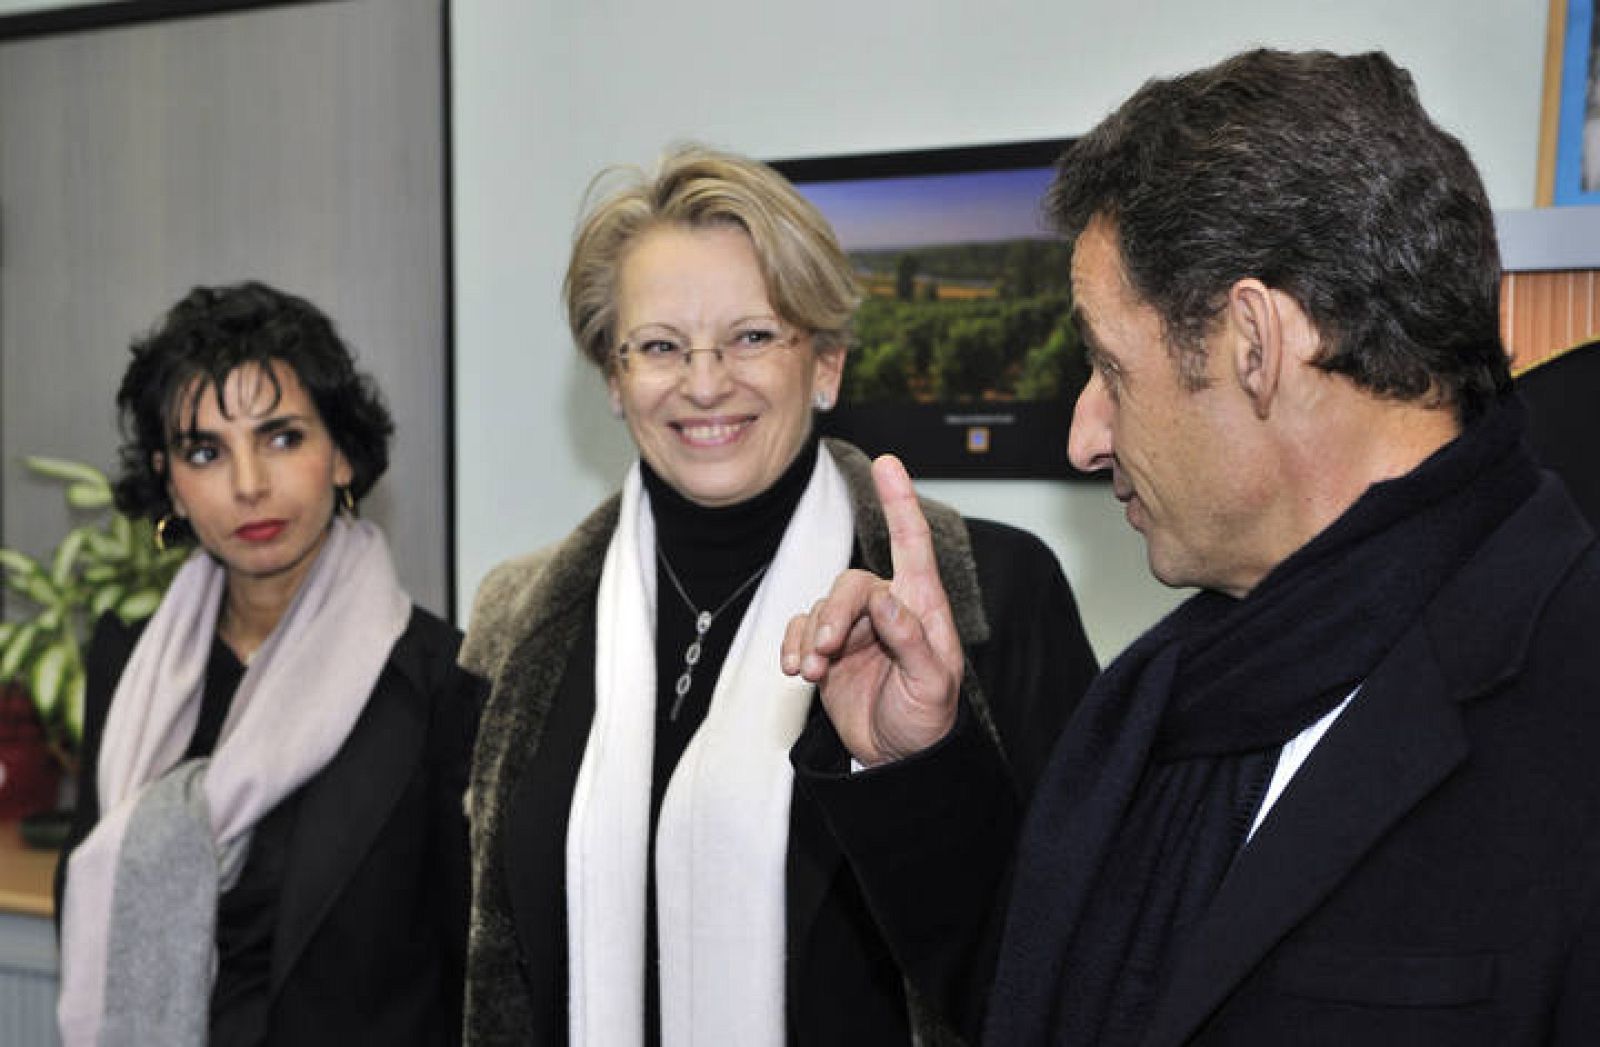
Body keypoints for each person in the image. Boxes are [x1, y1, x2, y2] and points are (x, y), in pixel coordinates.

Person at [783, 49, 1600, 1046]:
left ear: (1254, 345)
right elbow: (1038, 997)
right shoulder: (1170, 686)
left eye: (1109, 369)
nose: (1084, 436)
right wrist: (915, 767)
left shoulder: (1564, 701)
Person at [459, 145, 1098, 1047]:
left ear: (827, 363)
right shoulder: (516, 619)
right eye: (660, 346)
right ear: (614, 377)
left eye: (753, 335)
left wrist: (919, 764)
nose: (706, 380)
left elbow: (1065, 948)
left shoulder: (987, 592)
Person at [55, 282, 481, 1046]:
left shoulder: (440, 679)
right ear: (171, 484)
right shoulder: (128, 665)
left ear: (343, 455)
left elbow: (473, 971)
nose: (248, 483)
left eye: (282, 436)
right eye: (205, 451)